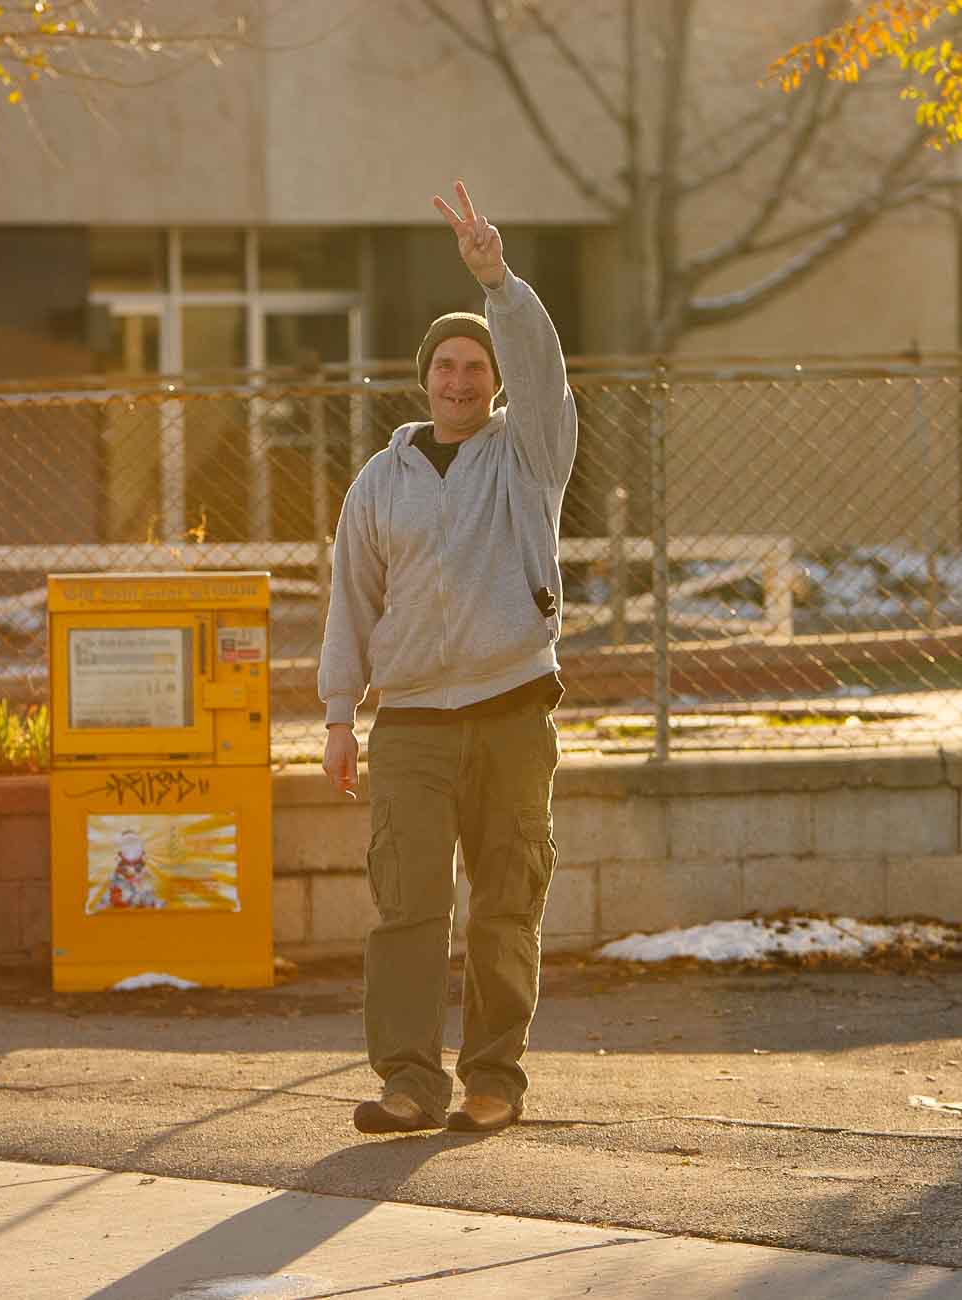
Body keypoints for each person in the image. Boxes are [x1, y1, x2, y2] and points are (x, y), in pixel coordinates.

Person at [318, 180, 577, 1136]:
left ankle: (495, 1079)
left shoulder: (529, 456)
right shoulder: (378, 485)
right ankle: (409, 1084)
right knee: (408, 913)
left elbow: (546, 374)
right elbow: (350, 601)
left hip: (511, 712)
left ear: (496, 380)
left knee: (507, 905)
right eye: (447, 367)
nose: (461, 381)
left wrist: (497, 281)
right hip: (414, 725)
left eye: (477, 368)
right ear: (422, 376)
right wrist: (340, 716)